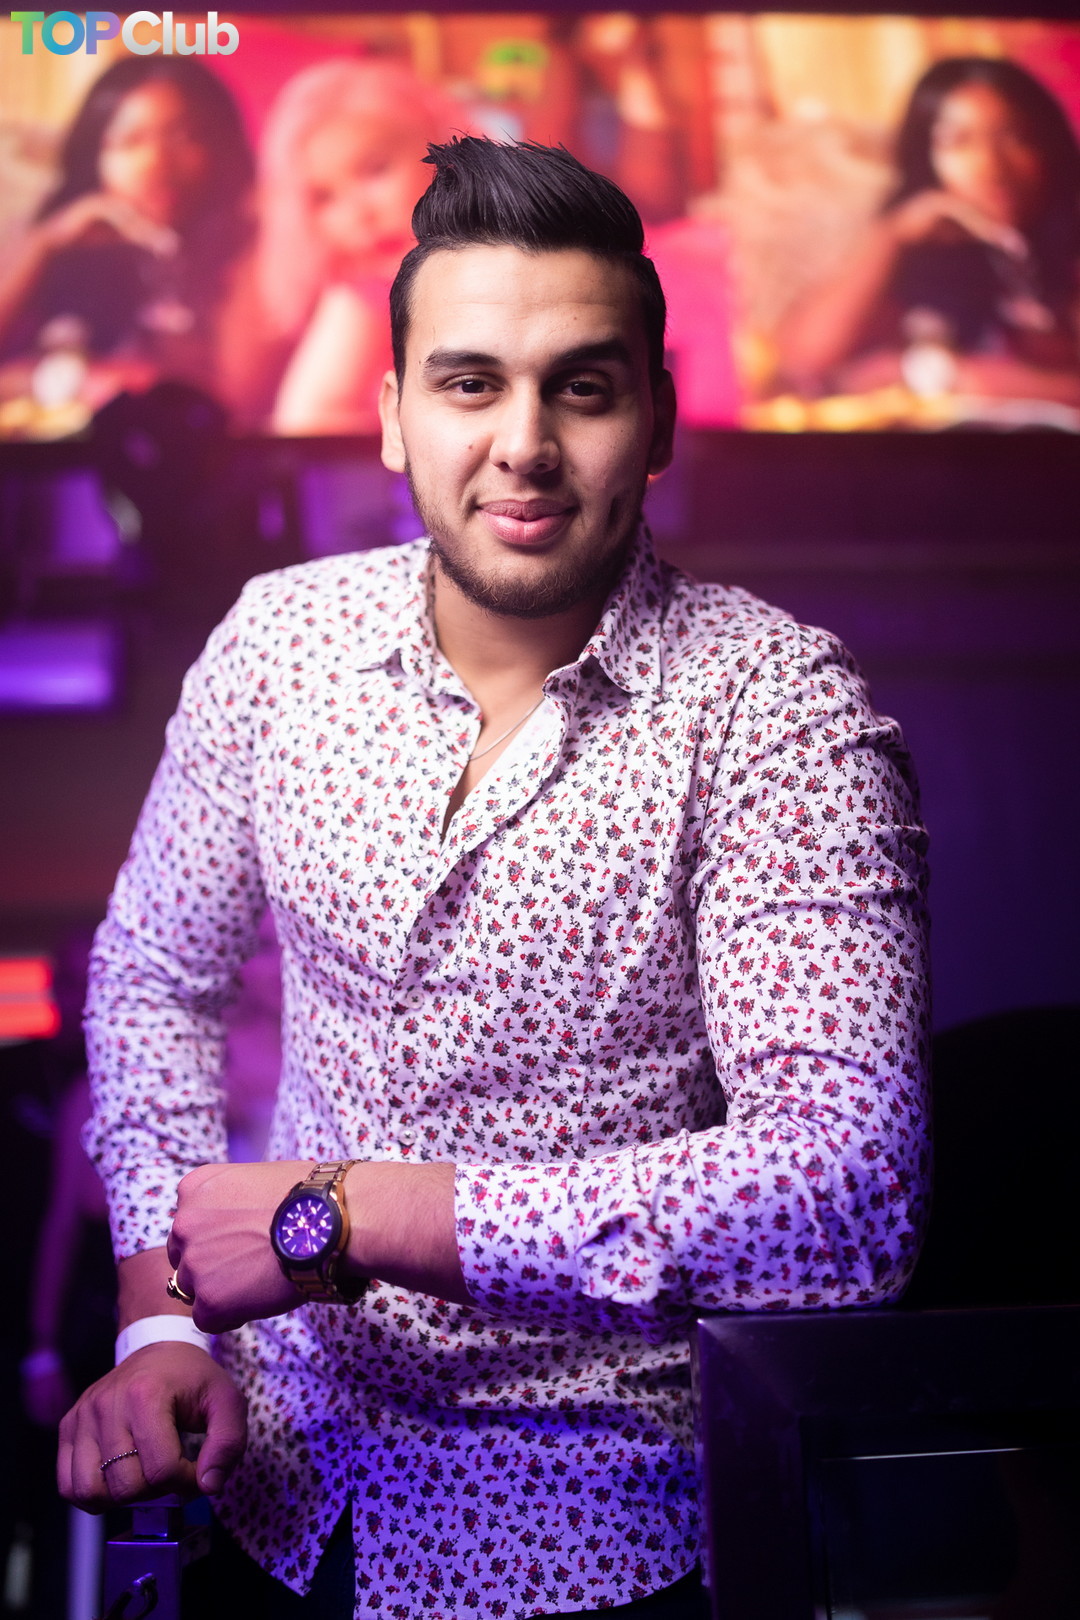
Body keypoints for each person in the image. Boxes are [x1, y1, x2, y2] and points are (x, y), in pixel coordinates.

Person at [61, 138, 931, 1618]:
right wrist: (163, 1327)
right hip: (277, 1493)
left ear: (656, 421)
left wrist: (346, 1217)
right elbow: (155, 979)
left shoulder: (780, 713)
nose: (522, 443)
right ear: (392, 416)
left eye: (581, 388)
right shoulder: (278, 646)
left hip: (601, 1533)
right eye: (469, 383)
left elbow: (845, 1196)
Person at [778, 57, 1080, 407]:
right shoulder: (921, 255)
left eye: (1016, 136)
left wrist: (949, 376)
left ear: (1048, 145)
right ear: (925, 155)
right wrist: (890, 234)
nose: (991, 165)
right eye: (959, 142)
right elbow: (802, 363)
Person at [0, 56, 254, 412]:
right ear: (94, 154)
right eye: (130, 141)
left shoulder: (251, 252)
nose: (156, 162)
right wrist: (45, 243)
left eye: (185, 136)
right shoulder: (61, 248)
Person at [227, 59, 460, 434]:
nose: (358, 214)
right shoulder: (364, 298)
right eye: (324, 197)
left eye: (375, 170)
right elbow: (306, 422)